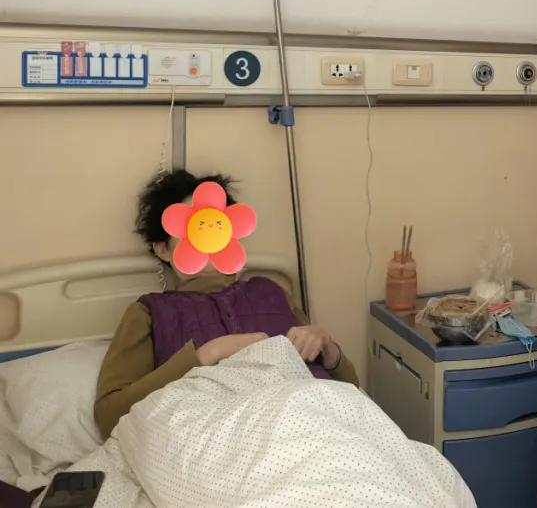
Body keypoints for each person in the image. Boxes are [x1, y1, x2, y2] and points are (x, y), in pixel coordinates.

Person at [94, 170, 359, 438]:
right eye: (194, 227)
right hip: (225, 438)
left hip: (320, 424)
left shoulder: (270, 291)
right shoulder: (150, 313)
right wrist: (205, 355)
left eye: (217, 224)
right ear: (162, 248)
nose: (208, 236)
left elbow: (352, 390)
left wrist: (327, 347)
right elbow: (109, 417)